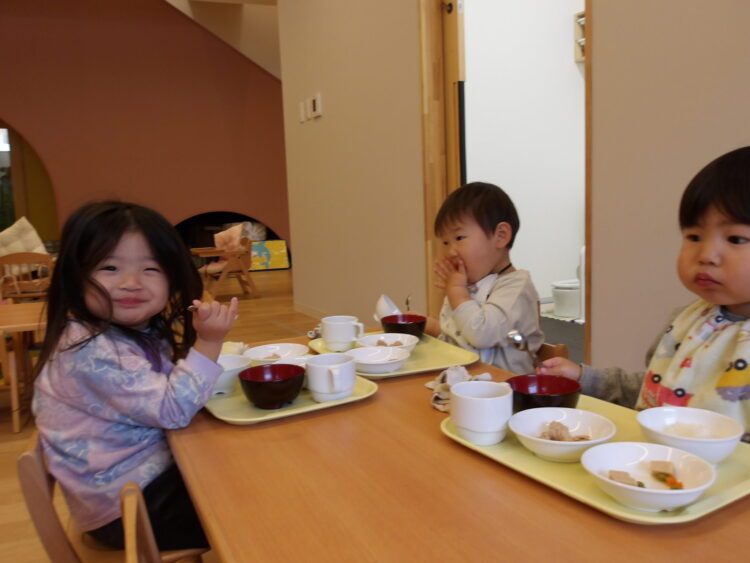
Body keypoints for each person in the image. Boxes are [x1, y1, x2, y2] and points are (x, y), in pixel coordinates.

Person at [32, 200, 239, 550]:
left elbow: (162, 392)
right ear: (75, 277)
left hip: (143, 477)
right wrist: (209, 341)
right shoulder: (90, 348)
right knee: (253, 504)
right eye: (110, 267)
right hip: (128, 507)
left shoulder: (133, 330)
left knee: (245, 466)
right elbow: (173, 410)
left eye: (150, 268)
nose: (131, 283)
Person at [537, 146, 750, 442]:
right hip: (659, 460)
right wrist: (585, 377)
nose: (706, 255)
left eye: (736, 239)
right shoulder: (688, 321)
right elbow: (653, 389)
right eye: (694, 236)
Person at [423, 181, 544, 374]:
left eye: (459, 238)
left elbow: (481, 334)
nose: (450, 251)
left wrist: (456, 292)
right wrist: (432, 327)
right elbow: (457, 342)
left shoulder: (516, 286)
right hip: (466, 384)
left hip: (506, 388)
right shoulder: (468, 286)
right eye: (445, 242)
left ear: (501, 236)